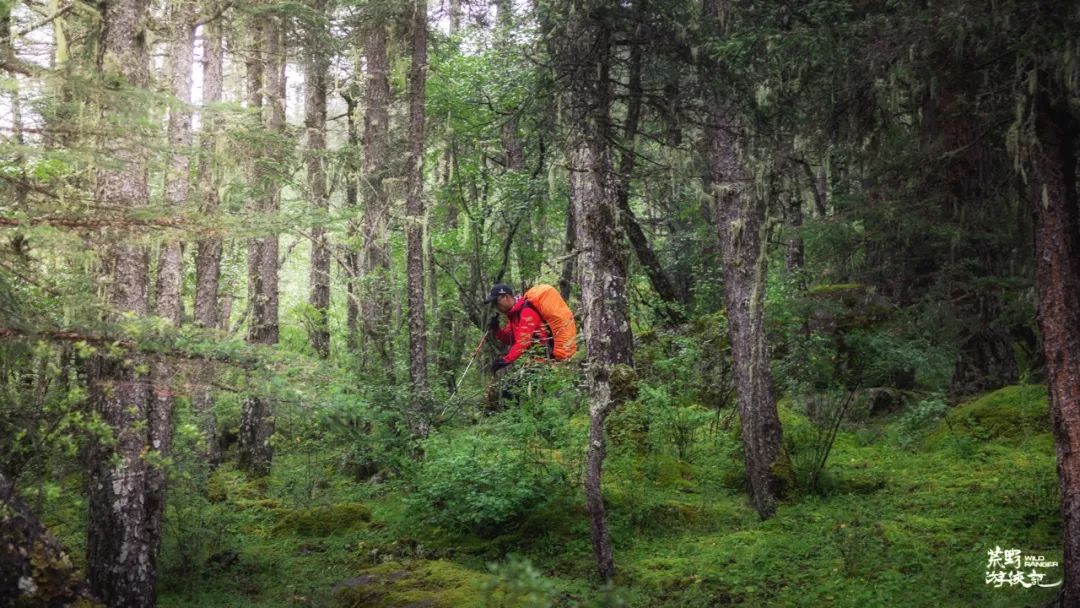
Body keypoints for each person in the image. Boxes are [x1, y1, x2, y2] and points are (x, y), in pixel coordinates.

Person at [483, 283, 553, 373]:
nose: (496, 306)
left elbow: (523, 342)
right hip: (533, 361)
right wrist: (497, 329)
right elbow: (509, 339)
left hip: (544, 360)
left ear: (506, 297)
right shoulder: (514, 314)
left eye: (496, 302)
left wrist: (506, 360)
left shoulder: (527, 311)